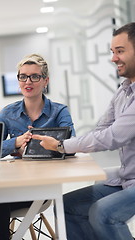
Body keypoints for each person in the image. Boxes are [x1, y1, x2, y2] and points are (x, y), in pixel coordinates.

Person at [32, 22, 135, 240]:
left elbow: (113, 136)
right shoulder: (124, 90)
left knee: (103, 213)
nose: (113, 58)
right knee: (67, 206)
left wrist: (61, 146)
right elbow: (103, 128)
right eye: (112, 52)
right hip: (128, 177)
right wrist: (66, 147)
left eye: (120, 51)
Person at [0, 54, 75, 240]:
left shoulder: (59, 111)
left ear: (45, 80)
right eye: (22, 76)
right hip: (13, 184)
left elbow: (71, 145)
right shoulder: (8, 113)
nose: (28, 81)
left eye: (35, 76)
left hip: (42, 187)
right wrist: (15, 143)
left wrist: (36, 148)